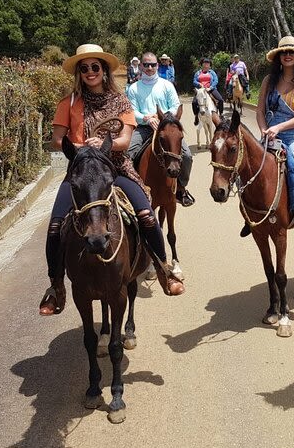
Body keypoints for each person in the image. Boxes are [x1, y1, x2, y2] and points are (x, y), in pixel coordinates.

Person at [39, 44, 185, 316]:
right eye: (85, 68)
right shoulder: (68, 102)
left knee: (147, 216)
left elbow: (125, 140)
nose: (90, 72)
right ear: (79, 73)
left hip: (116, 169)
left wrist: (104, 144)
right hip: (81, 173)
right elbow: (58, 140)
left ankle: (164, 269)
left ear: (104, 70)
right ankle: (56, 286)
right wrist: (84, 146)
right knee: (56, 227)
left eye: (95, 67)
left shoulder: (120, 102)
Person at [248, 35, 294, 243]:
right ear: (278, 57)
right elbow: (260, 111)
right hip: (270, 134)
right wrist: (264, 129)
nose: (287, 55)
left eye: (291, 52)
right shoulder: (268, 81)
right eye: (284, 52)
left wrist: (278, 127)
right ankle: (251, 215)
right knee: (248, 167)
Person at [126, 51, 195, 207]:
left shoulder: (166, 85)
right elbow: (132, 111)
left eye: (152, 64)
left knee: (187, 156)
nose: (149, 68)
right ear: (141, 66)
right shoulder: (134, 88)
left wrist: (162, 118)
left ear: (157, 65)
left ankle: (181, 188)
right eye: (146, 64)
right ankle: (130, 190)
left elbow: (176, 105)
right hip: (144, 128)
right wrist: (147, 118)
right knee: (127, 153)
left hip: (166, 127)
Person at [191, 57, 224, 125]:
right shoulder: (198, 73)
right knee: (194, 102)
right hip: (201, 90)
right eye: (205, 63)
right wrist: (199, 84)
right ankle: (196, 116)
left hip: (210, 89)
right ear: (202, 64)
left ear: (209, 65)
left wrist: (211, 87)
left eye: (208, 63)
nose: (206, 65)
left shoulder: (212, 72)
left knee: (220, 100)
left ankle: (221, 114)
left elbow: (216, 80)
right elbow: (194, 81)